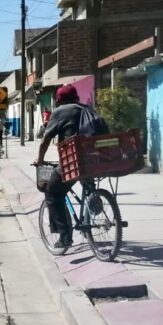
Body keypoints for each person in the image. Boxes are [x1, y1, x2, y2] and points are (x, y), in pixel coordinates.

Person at [33, 85, 107, 248]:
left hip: (73, 161)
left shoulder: (60, 112)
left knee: (52, 192)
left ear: (59, 100)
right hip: (94, 159)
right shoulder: (87, 109)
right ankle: (92, 197)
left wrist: (39, 159)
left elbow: (46, 139)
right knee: (85, 176)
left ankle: (65, 236)